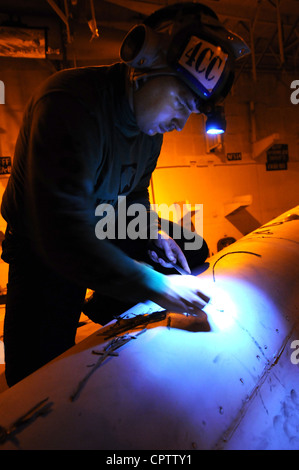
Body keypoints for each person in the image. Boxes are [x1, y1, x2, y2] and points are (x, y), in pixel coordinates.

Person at [0, 3, 250, 387]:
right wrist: (157, 285)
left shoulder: (150, 132)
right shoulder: (68, 104)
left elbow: (132, 197)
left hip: (99, 221)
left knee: (189, 246)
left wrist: (151, 234)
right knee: (38, 378)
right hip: (44, 245)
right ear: (142, 69)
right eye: (182, 102)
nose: (183, 122)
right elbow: (63, 235)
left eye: (193, 111)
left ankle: (110, 309)